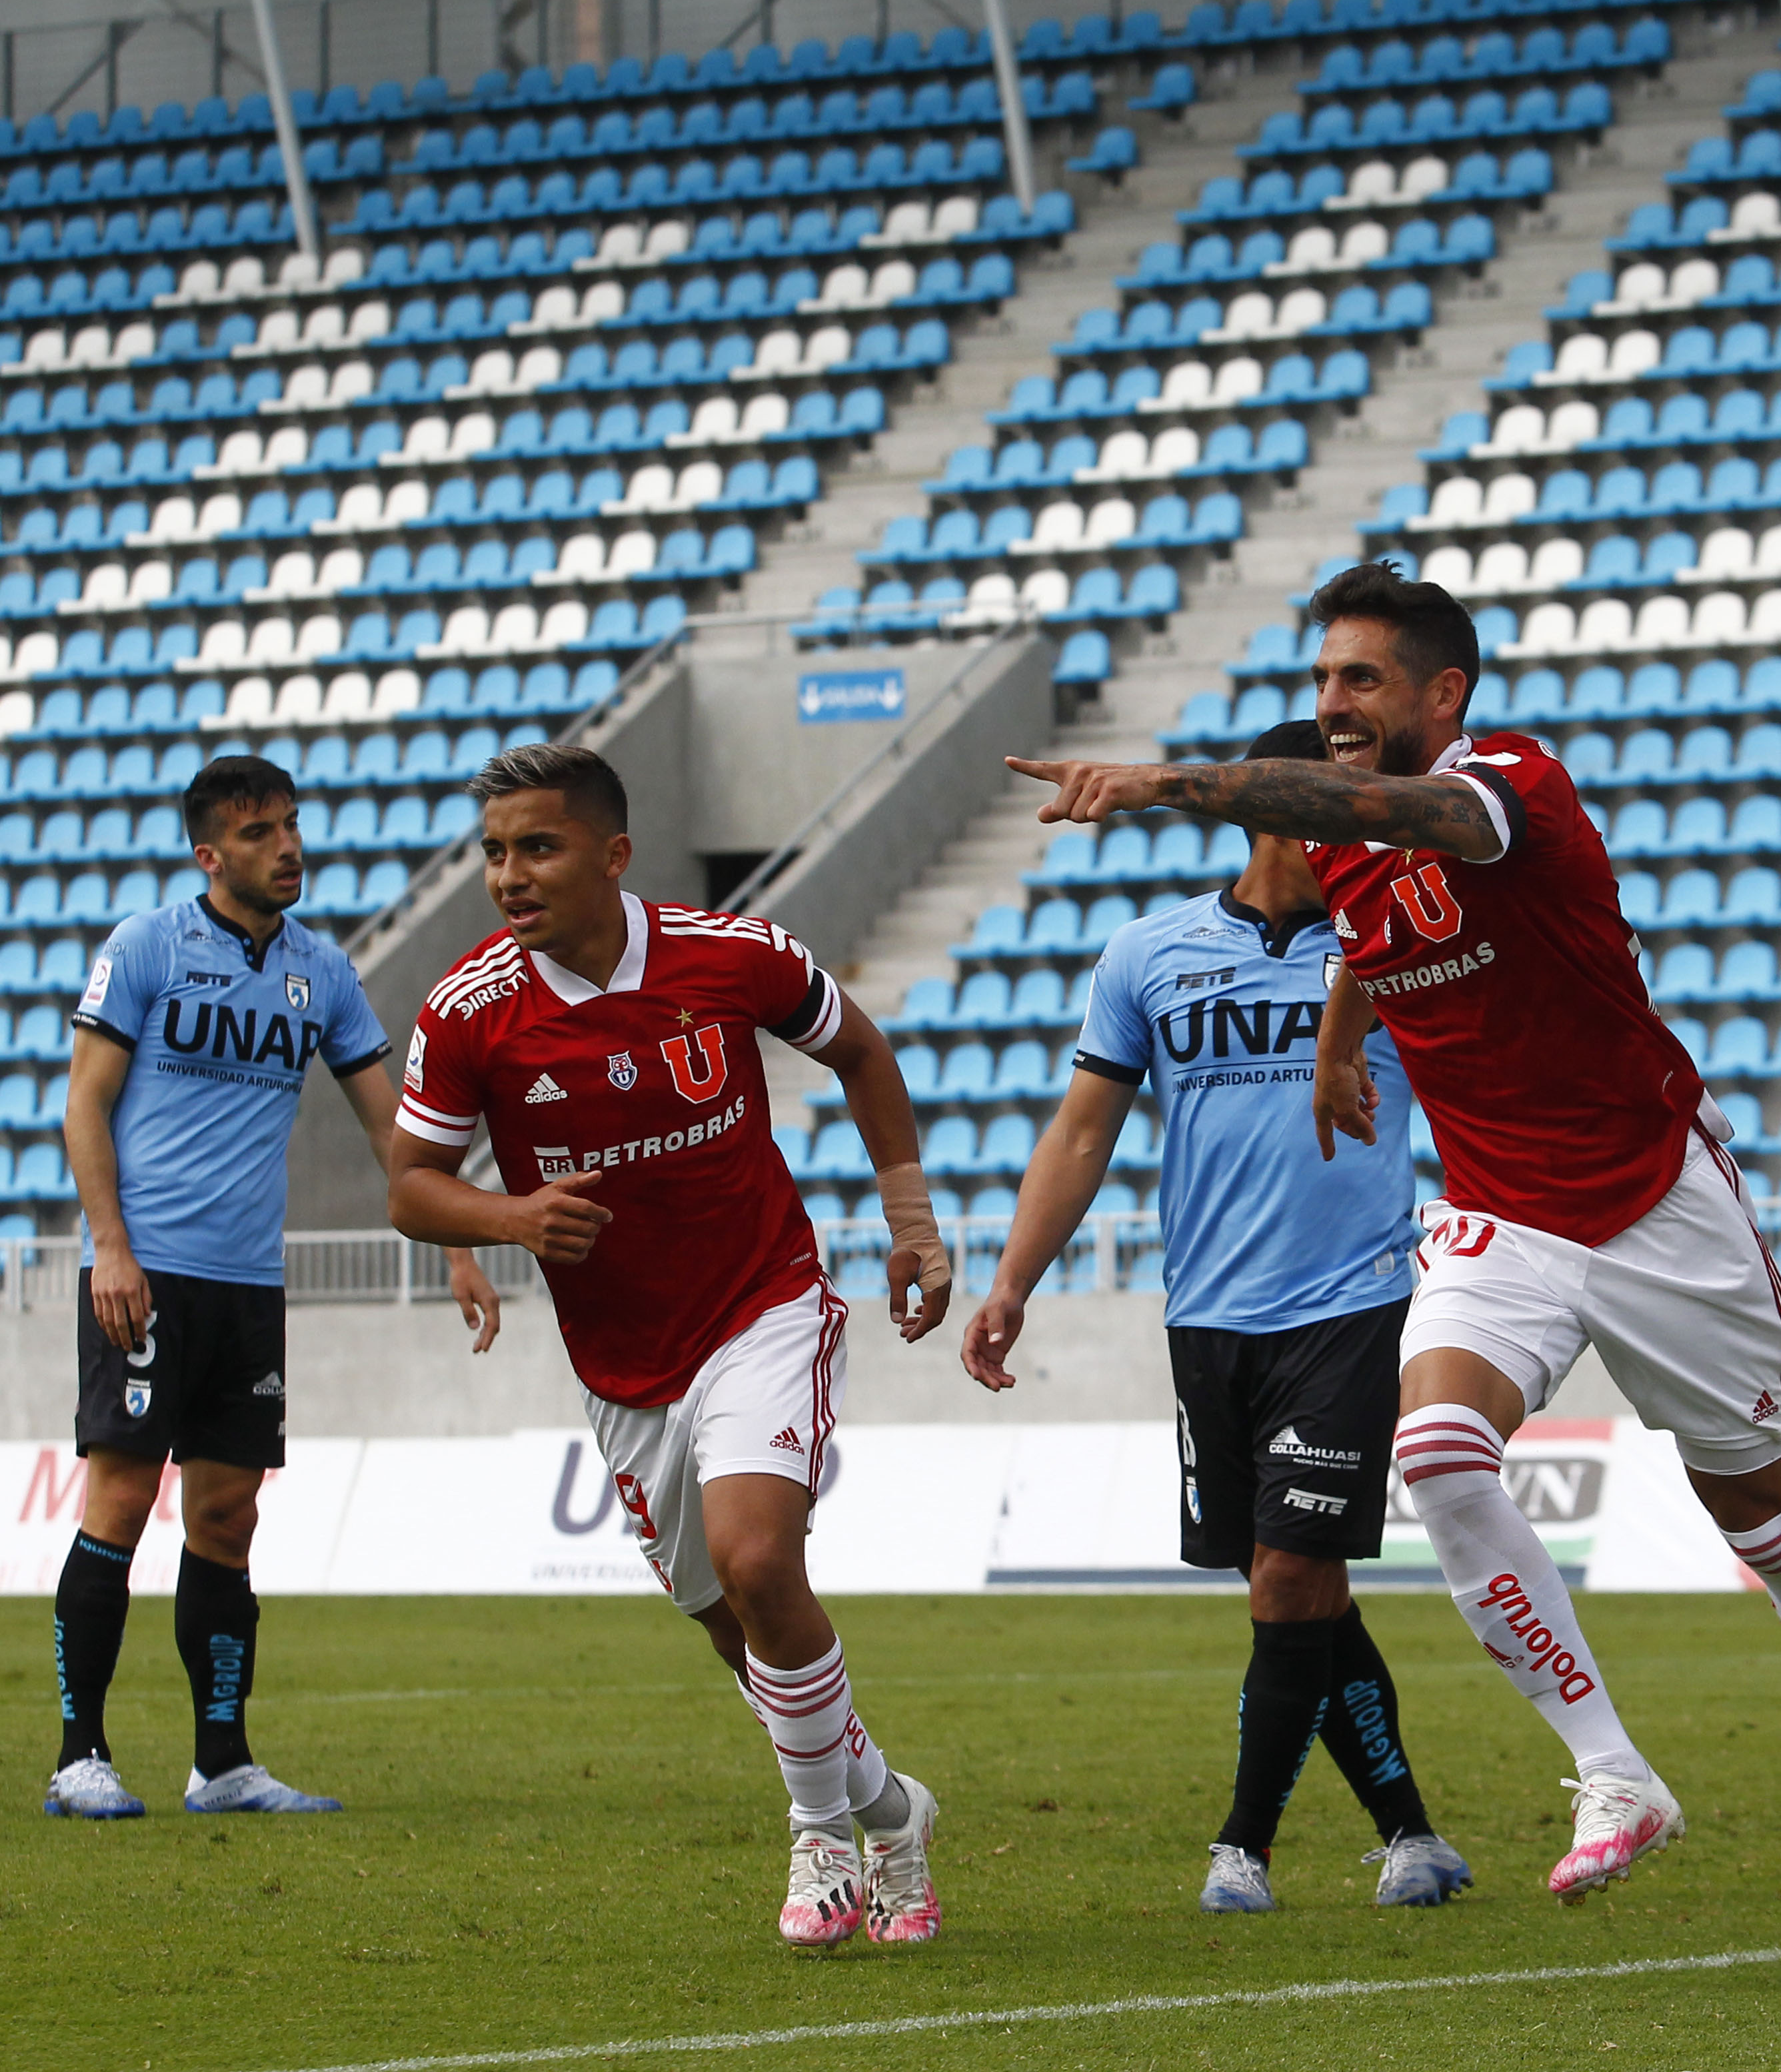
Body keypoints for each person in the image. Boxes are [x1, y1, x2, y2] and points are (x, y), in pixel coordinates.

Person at [1002, 562, 1781, 1949]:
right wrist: (1336, 1041)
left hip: (1652, 1202)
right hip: (1502, 1218)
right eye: (1321, 681)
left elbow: (1417, 829)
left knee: (1768, 1527)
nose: (1333, 704)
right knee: (1436, 1453)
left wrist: (1166, 783)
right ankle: (1614, 1771)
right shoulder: (1346, 838)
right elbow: (1369, 929)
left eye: (1361, 680)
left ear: (1444, 693)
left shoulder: (1510, 784)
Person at [383, 744, 954, 1948]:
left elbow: (859, 1048)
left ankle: (819, 1837)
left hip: (762, 1301)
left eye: (537, 847)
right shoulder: (468, 1010)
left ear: (615, 854)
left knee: (759, 1560)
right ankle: (893, 1812)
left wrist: (910, 1222)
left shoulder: (730, 953)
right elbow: (412, 1185)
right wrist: (511, 1218)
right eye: (493, 852)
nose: (508, 875)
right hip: (624, 1366)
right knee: (734, 1628)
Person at [961, 718, 1468, 1917]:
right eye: (1343, 808)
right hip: (1207, 1316)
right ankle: (1412, 1835)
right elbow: (1082, 1132)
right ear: (1280, 809)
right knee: (1304, 1594)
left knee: (1287, 1579)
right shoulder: (1148, 953)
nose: (1367, 830)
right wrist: (1013, 1281)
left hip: (1352, 1303)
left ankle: (1243, 1847)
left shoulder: (1392, 947)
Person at [45, 756, 499, 1821]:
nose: (288, 847)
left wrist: (458, 1239)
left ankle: (223, 1765)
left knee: (226, 1516)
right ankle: (79, 1756)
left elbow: (393, 1130)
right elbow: (83, 1105)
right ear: (210, 854)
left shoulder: (322, 972)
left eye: (292, 825)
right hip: (146, 1273)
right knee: (121, 1501)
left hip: (249, 1283)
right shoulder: (147, 946)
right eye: (260, 833)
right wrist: (110, 1248)